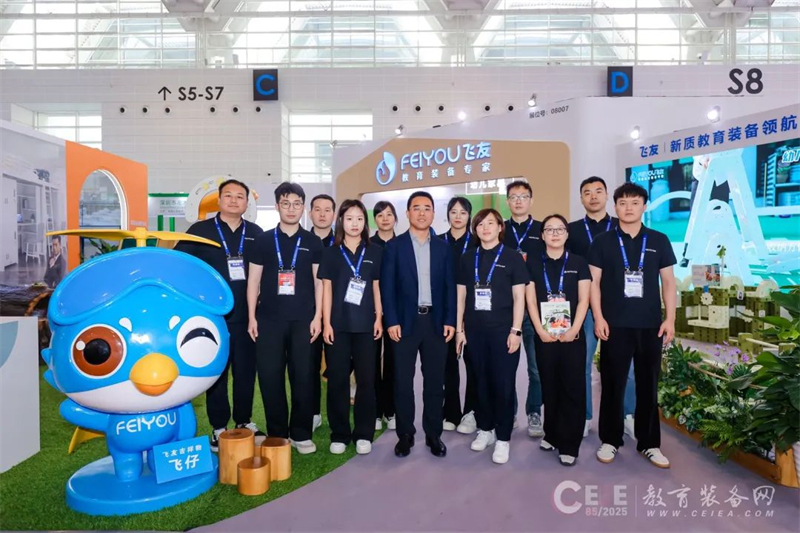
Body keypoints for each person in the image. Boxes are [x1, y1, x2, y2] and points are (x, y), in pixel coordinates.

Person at [588, 182, 677, 469]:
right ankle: (610, 440)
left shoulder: (659, 240)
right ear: (615, 207)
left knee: (648, 385)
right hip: (614, 325)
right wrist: (599, 317)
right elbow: (594, 284)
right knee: (612, 384)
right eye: (623, 203)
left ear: (644, 206)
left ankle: (650, 443)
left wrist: (670, 319)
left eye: (635, 202)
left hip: (650, 326)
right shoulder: (602, 241)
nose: (628, 208)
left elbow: (669, 282)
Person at [175, 179, 265, 451]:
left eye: (240, 196)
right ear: (219, 200)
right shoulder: (200, 231)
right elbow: (182, 266)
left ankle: (244, 420)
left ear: (247, 203)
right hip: (213, 318)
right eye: (228, 195)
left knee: (246, 372)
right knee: (217, 374)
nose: (234, 200)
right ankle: (218, 427)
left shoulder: (256, 233)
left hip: (248, 317)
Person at [247, 182, 323, 455]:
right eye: (286, 203)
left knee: (303, 377)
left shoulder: (313, 242)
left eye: (297, 204)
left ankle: (301, 433)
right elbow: (253, 280)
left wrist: (318, 317)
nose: (291, 209)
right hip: (268, 320)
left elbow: (319, 283)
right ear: (278, 206)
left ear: (303, 208)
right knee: (270, 377)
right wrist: (251, 317)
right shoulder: (263, 240)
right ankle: (278, 433)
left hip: (304, 321)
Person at [381, 191, 456, 458]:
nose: (422, 213)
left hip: (435, 323)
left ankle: (434, 434)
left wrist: (450, 320)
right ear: (408, 213)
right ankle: (405, 434)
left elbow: (450, 287)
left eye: (427, 208)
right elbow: (387, 288)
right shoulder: (394, 247)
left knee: (435, 382)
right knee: (403, 382)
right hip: (404, 324)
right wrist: (391, 320)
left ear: (433, 213)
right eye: (416, 208)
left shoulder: (444, 248)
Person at [455, 208, 528, 464]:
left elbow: (519, 297)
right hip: (474, 332)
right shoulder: (467, 258)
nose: (485, 228)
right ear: (475, 229)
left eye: (490, 223)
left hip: (503, 332)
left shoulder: (512, 257)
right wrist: (459, 330)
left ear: (500, 227)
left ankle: (503, 437)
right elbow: (461, 296)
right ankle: (485, 429)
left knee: (503, 384)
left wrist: (516, 330)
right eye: (480, 224)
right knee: (480, 382)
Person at [566, 176, 632, 438]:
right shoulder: (572, 230)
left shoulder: (621, 226)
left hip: (618, 306)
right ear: (581, 198)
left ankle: (627, 415)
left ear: (607, 196)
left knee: (625, 365)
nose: (593, 196)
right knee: (582, 363)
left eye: (598, 191)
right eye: (587, 192)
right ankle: (583, 416)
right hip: (583, 307)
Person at [319, 199, 383, 455]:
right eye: (349, 218)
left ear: (365, 223)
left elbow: (377, 288)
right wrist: (326, 323)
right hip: (338, 326)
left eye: (359, 219)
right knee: (337, 381)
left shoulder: (375, 251)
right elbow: (326, 290)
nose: (354, 223)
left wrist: (379, 318)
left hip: (367, 326)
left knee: (367, 381)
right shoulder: (330, 253)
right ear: (341, 222)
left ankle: (364, 433)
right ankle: (340, 434)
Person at [527, 214, 592, 466]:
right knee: (549, 385)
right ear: (542, 235)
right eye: (549, 229)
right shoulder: (533, 263)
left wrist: (574, 329)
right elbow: (531, 301)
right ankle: (552, 434)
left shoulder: (579, 262)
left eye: (559, 229)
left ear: (567, 234)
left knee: (572, 388)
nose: (554, 234)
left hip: (572, 336)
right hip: (544, 335)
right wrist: (540, 330)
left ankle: (569, 444)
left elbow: (584, 300)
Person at [503, 179, 544, 438]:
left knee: (536, 368)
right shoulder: (498, 229)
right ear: (507, 201)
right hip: (506, 308)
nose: (518, 201)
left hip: (536, 309)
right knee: (506, 367)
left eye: (523, 196)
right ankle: (509, 412)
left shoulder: (543, 229)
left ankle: (534, 411)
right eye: (514, 197)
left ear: (531, 200)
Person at [438, 196, 479, 434]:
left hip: (472, 310)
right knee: (448, 364)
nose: (458, 216)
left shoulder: (477, 242)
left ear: (469, 216)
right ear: (448, 215)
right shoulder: (437, 241)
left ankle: (470, 413)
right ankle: (450, 412)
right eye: (453, 212)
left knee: (473, 363)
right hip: (444, 311)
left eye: (463, 212)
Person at [309, 193, 337, 432]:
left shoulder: (341, 242)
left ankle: (337, 415)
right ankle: (314, 413)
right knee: (309, 366)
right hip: (308, 314)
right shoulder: (302, 241)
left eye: (327, 210)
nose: (322, 214)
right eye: (317, 209)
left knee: (337, 367)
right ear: (310, 213)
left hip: (338, 314)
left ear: (334, 214)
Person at [371, 201, 397, 431]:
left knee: (393, 363)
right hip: (371, 313)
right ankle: (375, 412)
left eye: (389, 214)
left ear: (396, 218)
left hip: (396, 313)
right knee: (370, 363)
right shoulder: (368, 245)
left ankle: (391, 410)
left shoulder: (402, 244)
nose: (385, 219)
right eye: (380, 215)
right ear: (375, 220)